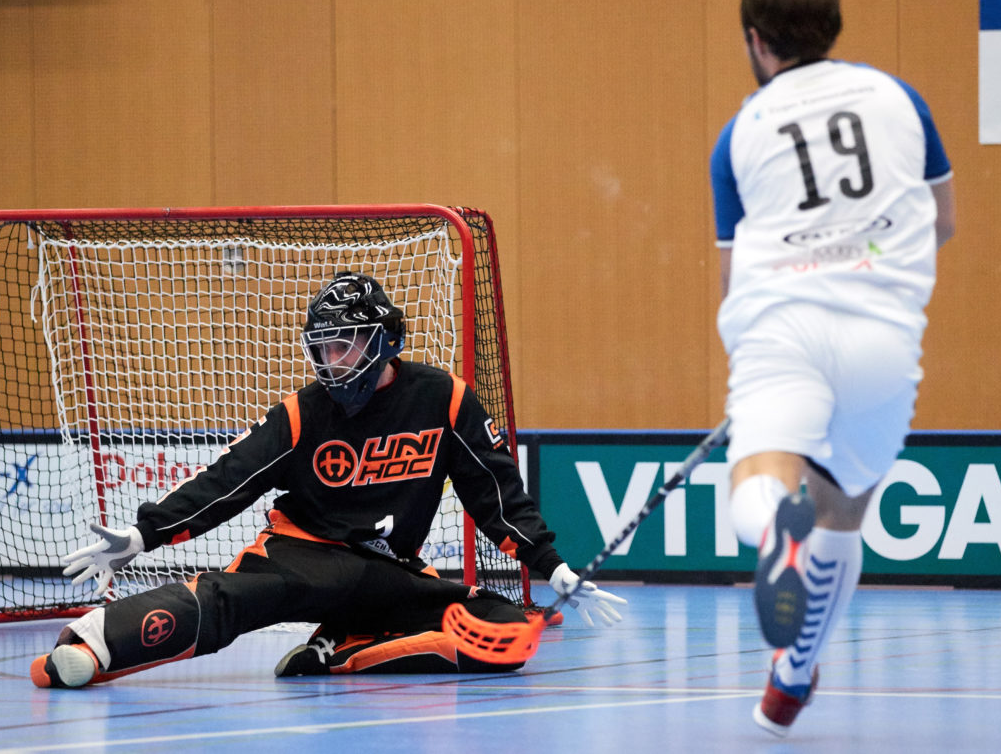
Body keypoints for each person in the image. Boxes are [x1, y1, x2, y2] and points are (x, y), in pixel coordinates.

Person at [31, 271, 626, 688]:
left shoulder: (446, 401)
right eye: (324, 351)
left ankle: (343, 649)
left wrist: (553, 567)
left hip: (388, 572)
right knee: (225, 598)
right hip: (300, 557)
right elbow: (229, 480)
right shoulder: (302, 413)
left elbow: (495, 495)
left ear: (385, 339)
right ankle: (89, 646)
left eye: (346, 347)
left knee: (508, 633)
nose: (332, 363)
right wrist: (143, 535)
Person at [709, 0, 955, 737]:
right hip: (885, 332)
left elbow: (729, 274)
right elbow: (943, 220)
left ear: (756, 39)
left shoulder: (741, 132)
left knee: (764, 479)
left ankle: (772, 526)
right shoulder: (898, 99)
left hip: (783, 324)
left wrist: (755, 369)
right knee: (844, 507)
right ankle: (791, 677)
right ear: (832, 28)